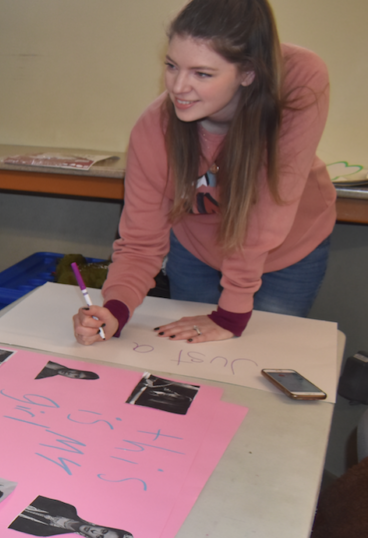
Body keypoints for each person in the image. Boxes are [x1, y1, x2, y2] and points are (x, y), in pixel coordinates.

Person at [72, 0, 335, 346]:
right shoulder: (152, 131)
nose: (178, 87)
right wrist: (115, 311)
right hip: (198, 251)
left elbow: (268, 211)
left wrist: (231, 313)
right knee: (191, 360)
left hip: (286, 251)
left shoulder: (298, 79)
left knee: (260, 355)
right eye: (171, 66)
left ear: (248, 73)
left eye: (202, 73)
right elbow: (139, 243)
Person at [9, 496, 139, 538]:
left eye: (99, 537)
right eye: (103, 531)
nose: (95, 532)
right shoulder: (68, 508)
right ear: (104, 526)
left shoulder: (43, 533)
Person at [34, 360, 100, 380]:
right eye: (76, 372)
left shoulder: (46, 375)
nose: (71, 374)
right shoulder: (58, 360)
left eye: (76, 376)